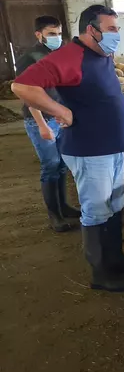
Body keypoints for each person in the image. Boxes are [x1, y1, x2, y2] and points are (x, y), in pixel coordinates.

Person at [11, 4, 124, 292]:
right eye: (112, 29)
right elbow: (22, 86)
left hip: (111, 145)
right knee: (96, 209)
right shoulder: (69, 55)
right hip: (89, 148)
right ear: (92, 29)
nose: (117, 34)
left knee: (114, 204)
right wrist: (59, 112)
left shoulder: (101, 55)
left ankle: (116, 259)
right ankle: (101, 272)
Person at [15, 15, 80, 233]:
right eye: (52, 34)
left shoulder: (56, 54)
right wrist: (42, 125)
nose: (57, 38)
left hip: (58, 117)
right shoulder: (29, 58)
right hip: (40, 120)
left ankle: (64, 206)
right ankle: (55, 216)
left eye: (59, 33)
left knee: (61, 164)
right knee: (50, 165)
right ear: (39, 34)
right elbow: (28, 92)